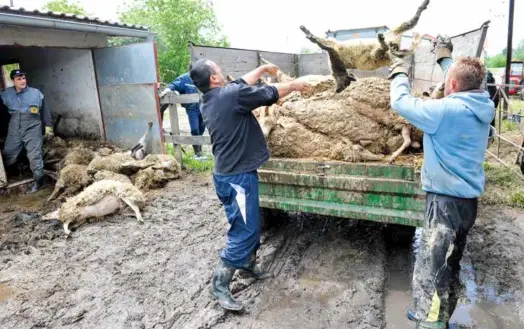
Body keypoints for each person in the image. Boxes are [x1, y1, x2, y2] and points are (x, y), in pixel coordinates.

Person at [388, 36, 495, 328]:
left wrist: (398, 72)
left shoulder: (444, 112)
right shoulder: (483, 104)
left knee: (434, 267)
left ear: (453, 86)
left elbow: (400, 101)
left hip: (445, 203)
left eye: (448, 79)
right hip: (466, 203)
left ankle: (431, 322)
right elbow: (466, 78)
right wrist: (445, 58)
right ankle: (435, 312)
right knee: (449, 262)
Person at [189, 59, 311, 311]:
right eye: (218, 70)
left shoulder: (211, 98)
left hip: (229, 174)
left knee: (250, 223)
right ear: (213, 78)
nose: (221, 71)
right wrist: (296, 85)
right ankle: (219, 285)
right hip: (237, 179)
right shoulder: (230, 96)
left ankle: (247, 264)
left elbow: (240, 83)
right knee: (244, 232)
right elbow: (270, 94)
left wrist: (264, 69)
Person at [1, 69, 54, 193]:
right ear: (13, 80)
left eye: (23, 78)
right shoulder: (6, 94)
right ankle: (14, 171)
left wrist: (49, 128)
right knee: (8, 152)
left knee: (35, 155)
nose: (22, 81)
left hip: (32, 125)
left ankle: (38, 181)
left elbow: (45, 111)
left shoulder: (36, 93)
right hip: (14, 125)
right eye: (19, 79)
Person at [160, 64, 207, 160]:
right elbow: (173, 85)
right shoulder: (185, 78)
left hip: (204, 106)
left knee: (202, 128)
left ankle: (200, 151)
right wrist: (167, 90)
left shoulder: (204, 77)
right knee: (195, 129)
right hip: (192, 108)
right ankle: (197, 153)